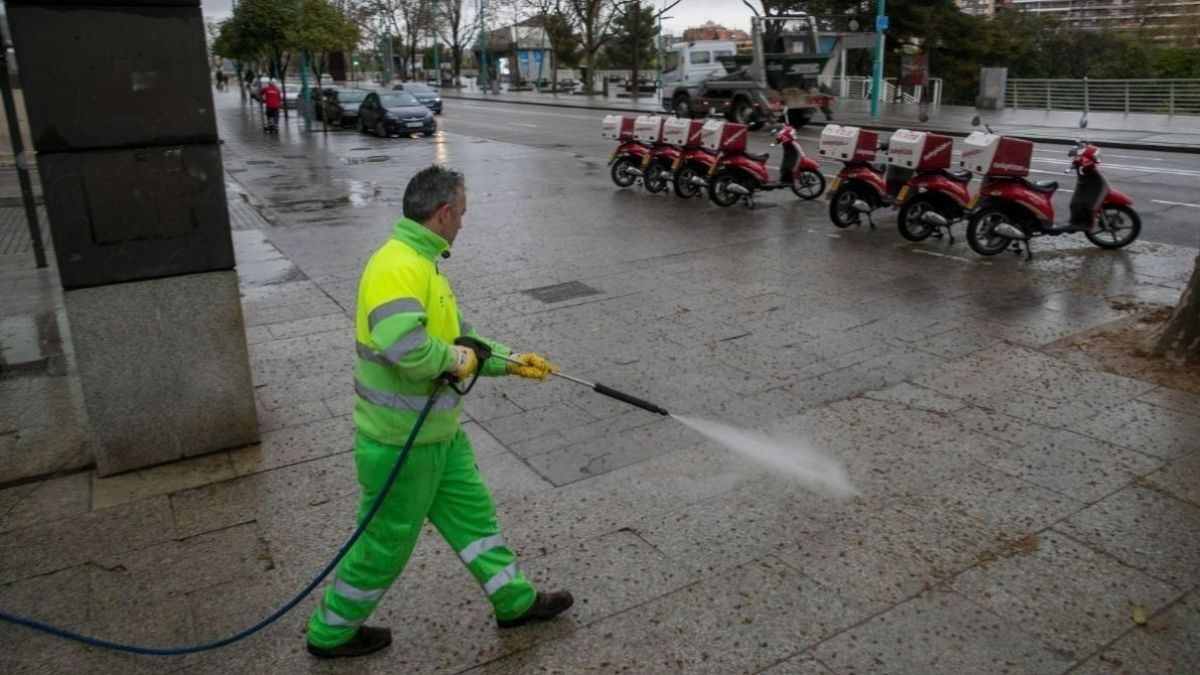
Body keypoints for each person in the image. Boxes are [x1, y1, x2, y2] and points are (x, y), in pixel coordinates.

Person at [305, 166, 574, 659]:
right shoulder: (396, 266)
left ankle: (514, 601)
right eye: (463, 214)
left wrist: (513, 361)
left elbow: (461, 340)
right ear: (444, 213)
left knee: (476, 523)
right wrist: (458, 359)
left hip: (439, 437)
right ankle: (332, 631)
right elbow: (408, 350)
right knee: (385, 546)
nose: (463, 224)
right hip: (401, 445)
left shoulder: (424, 263)